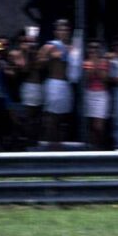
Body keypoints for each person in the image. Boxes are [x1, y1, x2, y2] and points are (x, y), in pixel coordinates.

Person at [37, 19, 77, 147]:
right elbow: (38, 63)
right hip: (54, 83)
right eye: (61, 29)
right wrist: (51, 57)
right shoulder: (50, 46)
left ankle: (58, 143)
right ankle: (50, 143)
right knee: (52, 116)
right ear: (56, 32)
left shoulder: (72, 47)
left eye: (66, 30)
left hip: (67, 84)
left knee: (63, 116)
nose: (63, 32)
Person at [82, 40, 110, 149]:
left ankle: (100, 146)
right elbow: (87, 78)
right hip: (90, 93)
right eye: (91, 48)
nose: (93, 50)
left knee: (99, 125)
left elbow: (104, 78)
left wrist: (95, 65)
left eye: (96, 48)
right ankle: (92, 146)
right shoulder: (86, 62)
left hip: (101, 94)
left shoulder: (104, 62)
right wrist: (93, 66)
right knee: (90, 123)